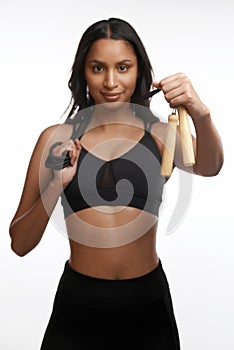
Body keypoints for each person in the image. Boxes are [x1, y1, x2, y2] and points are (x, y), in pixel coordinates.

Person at [9, 17, 223, 350]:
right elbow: (20, 243)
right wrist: (57, 184)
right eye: (98, 68)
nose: (111, 81)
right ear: (83, 73)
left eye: (123, 67)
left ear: (140, 73)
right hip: (79, 305)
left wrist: (200, 112)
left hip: (148, 305)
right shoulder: (57, 138)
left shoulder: (160, 133)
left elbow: (210, 166)